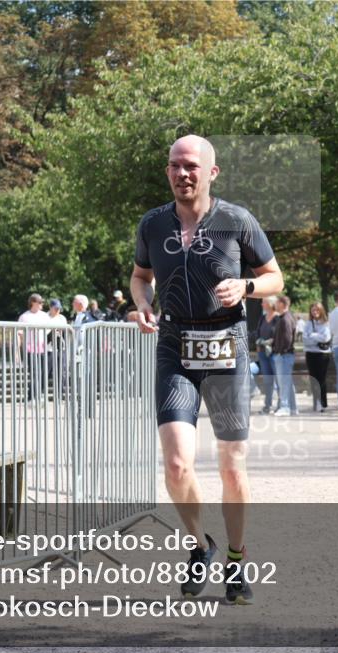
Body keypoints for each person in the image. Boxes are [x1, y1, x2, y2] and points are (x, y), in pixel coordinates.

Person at [130, 135, 283, 605]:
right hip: (175, 345)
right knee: (176, 465)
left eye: (192, 166)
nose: (183, 174)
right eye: (175, 166)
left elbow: (276, 278)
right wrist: (141, 306)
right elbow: (140, 276)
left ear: (211, 173)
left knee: (232, 468)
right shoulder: (153, 224)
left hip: (228, 347)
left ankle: (237, 560)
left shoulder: (237, 220)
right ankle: (201, 545)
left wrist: (248, 285)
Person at [18, 293, 50, 400]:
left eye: (42, 302)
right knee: (34, 372)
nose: (42, 304)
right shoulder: (24, 317)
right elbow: (20, 335)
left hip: (42, 348)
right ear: (32, 303)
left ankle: (36, 394)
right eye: (39, 302)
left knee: (43, 373)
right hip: (29, 348)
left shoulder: (45, 316)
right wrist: (18, 351)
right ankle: (32, 396)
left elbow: (49, 332)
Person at [301, 302, 332, 412]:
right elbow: (305, 339)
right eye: (313, 310)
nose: (315, 312)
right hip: (310, 353)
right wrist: (316, 337)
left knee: (322, 379)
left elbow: (326, 338)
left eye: (317, 310)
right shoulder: (308, 323)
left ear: (321, 310)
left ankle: (323, 403)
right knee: (313, 379)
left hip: (323, 354)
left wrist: (312, 336)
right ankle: (316, 403)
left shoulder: (326, 323)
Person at [270, 296, 298, 416]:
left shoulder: (285, 319)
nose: (275, 305)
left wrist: (280, 351)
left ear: (282, 304)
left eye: (277, 302)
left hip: (284, 355)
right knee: (287, 382)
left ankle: (285, 407)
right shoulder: (286, 317)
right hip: (286, 354)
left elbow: (287, 338)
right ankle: (292, 408)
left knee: (283, 383)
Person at [253, 296, 278, 415]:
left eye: (263, 302)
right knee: (267, 380)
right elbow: (258, 332)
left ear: (270, 304)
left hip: (274, 353)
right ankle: (267, 405)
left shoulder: (277, 318)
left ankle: (281, 405)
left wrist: (271, 342)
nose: (261, 304)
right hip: (263, 352)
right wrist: (258, 342)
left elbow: (279, 335)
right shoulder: (263, 318)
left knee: (278, 380)